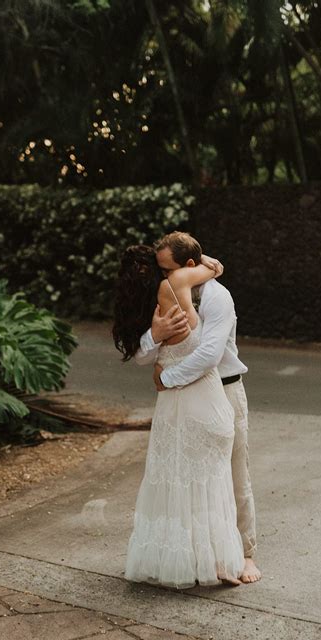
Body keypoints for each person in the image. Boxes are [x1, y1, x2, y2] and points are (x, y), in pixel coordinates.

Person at [113, 244, 245, 587]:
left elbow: (202, 354)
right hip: (200, 399)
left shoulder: (166, 298)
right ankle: (212, 563)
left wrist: (165, 375)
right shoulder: (176, 284)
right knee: (206, 482)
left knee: (177, 481)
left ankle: (187, 562)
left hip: (180, 400)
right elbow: (216, 266)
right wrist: (210, 263)